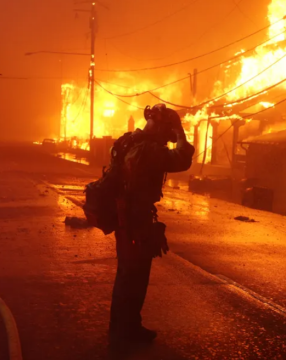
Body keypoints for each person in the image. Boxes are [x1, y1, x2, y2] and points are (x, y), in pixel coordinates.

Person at [109, 104, 195, 346]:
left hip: (123, 218)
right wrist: (180, 135)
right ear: (161, 127)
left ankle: (122, 329)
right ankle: (126, 334)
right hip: (136, 220)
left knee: (126, 276)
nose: (167, 139)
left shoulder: (127, 142)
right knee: (135, 277)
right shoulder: (149, 150)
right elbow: (181, 158)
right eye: (167, 132)